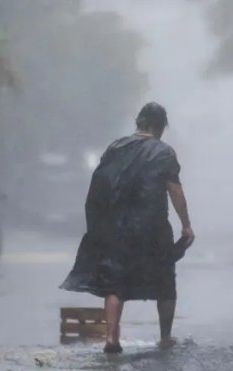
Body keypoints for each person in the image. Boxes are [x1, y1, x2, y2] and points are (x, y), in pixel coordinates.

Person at [60, 102, 195, 353]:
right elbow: (175, 191)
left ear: (139, 123)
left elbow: (98, 186)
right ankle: (165, 338)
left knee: (115, 284)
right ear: (160, 127)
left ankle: (112, 338)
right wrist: (186, 226)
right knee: (165, 281)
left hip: (117, 227)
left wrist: (98, 226)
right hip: (153, 228)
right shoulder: (164, 152)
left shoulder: (115, 148)